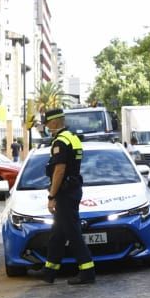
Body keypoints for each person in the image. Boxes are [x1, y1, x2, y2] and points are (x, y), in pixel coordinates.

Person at [40, 108, 95, 285]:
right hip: (73, 189)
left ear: (55, 122)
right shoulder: (72, 137)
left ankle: (87, 271)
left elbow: (59, 170)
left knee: (72, 232)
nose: (46, 127)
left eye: (47, 123)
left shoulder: (60, 142)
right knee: (58, 233)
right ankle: (50, 271)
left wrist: (51, 196)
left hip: (65, 192)